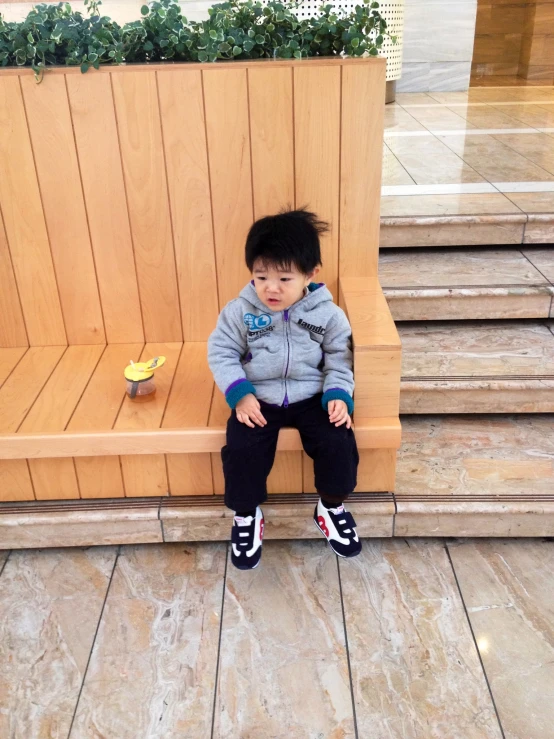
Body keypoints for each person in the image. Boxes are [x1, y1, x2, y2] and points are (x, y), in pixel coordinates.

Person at [207, 208, 360, 570]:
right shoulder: (239, 311)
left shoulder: (329, 314)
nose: (271, 288)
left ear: (310, 274)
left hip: (312, 395)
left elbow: (340, 358)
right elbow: (222, 351)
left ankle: (331, 506)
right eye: (261, 276)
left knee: (339, 440)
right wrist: (240, 394)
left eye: (284, 278)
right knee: (242, 449)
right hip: (258, 396)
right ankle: (246, 515)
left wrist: (338, 395)